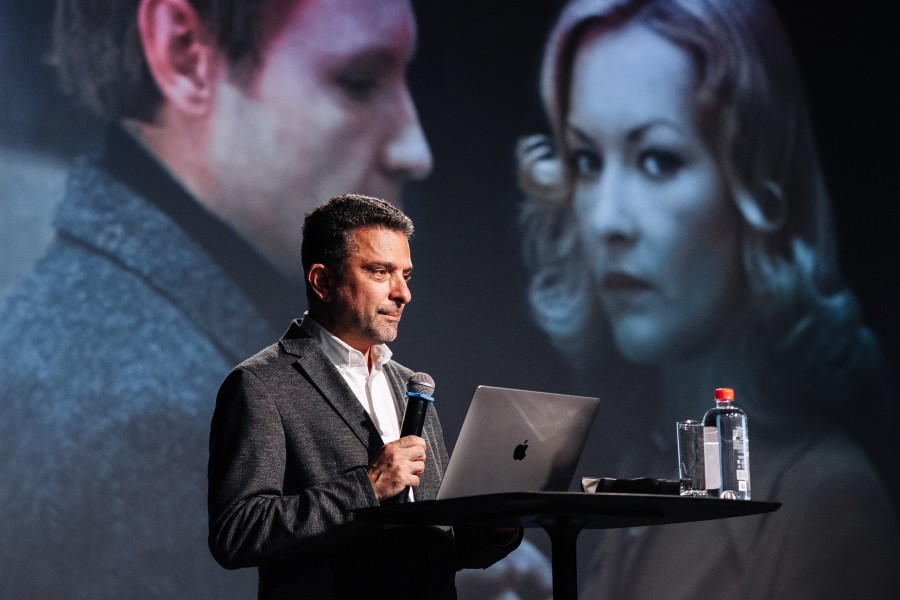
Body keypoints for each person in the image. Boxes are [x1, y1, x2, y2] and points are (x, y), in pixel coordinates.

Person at [0, 0, 432, 597]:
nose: (416, 149)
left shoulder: (398, 379)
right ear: (183, 52)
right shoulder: (129, 404)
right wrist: (368, 490)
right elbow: (241, 537)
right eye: (359, 81)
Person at [517, 0, 900, 597]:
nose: (608, 220)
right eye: (587, 161)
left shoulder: (825, 506)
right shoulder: (645, 465)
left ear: (758, 187)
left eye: (658, 160)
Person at [208, 193, 522, 599]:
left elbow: (441, 545)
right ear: (322, 281)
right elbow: (238, 532)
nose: (402, 293)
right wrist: (368, 488)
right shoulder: (261, 384)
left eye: (406, 275)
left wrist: (496, 528)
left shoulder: (412, 387)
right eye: (380, 272)